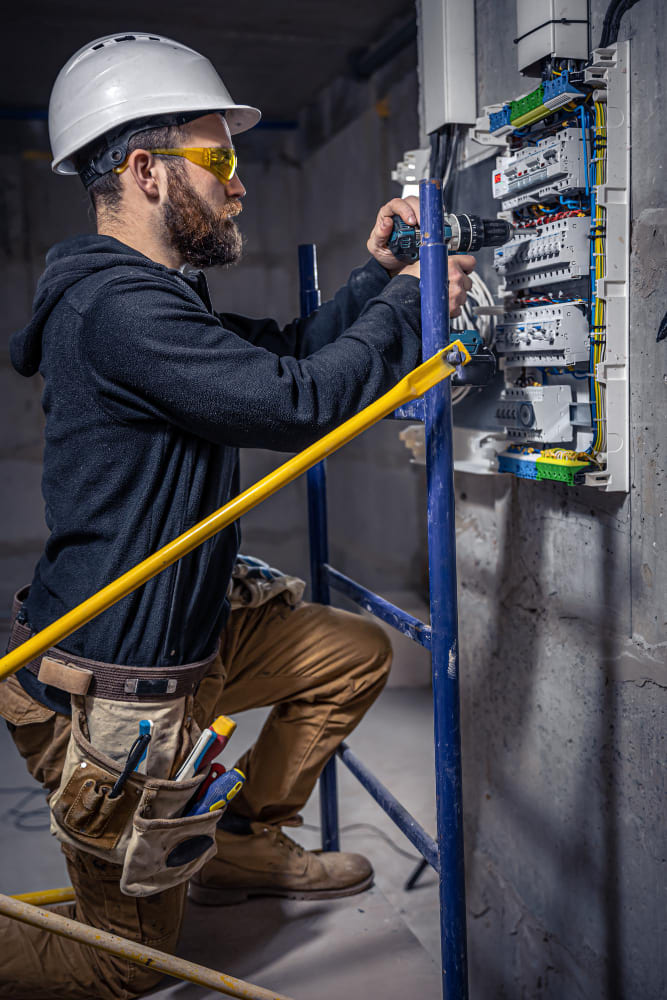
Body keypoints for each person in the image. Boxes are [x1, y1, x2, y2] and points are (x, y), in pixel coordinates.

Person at [0, 32, 475, 999]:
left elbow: (288, 351)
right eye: (220, 160)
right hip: (120, 687)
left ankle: (244, 848)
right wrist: (413, 304)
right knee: (122, 967)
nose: (239, 185)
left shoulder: (157, 294)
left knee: (351, 652)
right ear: (144, 171)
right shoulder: (116, 309)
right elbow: (294, 402)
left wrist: (373, 284)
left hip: (192, 636)